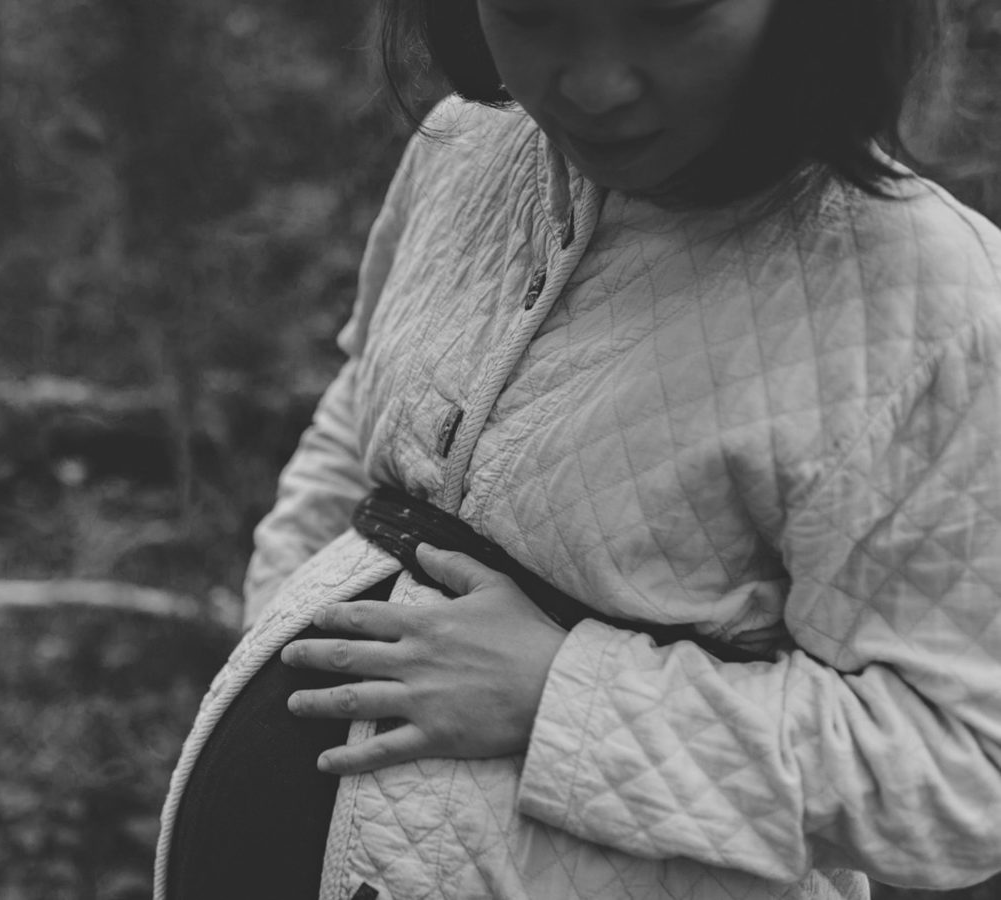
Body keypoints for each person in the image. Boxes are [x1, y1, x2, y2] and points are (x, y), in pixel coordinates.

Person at [156, 0, 1001, 897]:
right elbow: (354, 422)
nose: (594, 85)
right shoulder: (466, 147)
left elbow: (961, 775)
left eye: (672, 16)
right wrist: (274, 626)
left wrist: (563, 694)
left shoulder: (928, 304)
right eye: (533, 13)